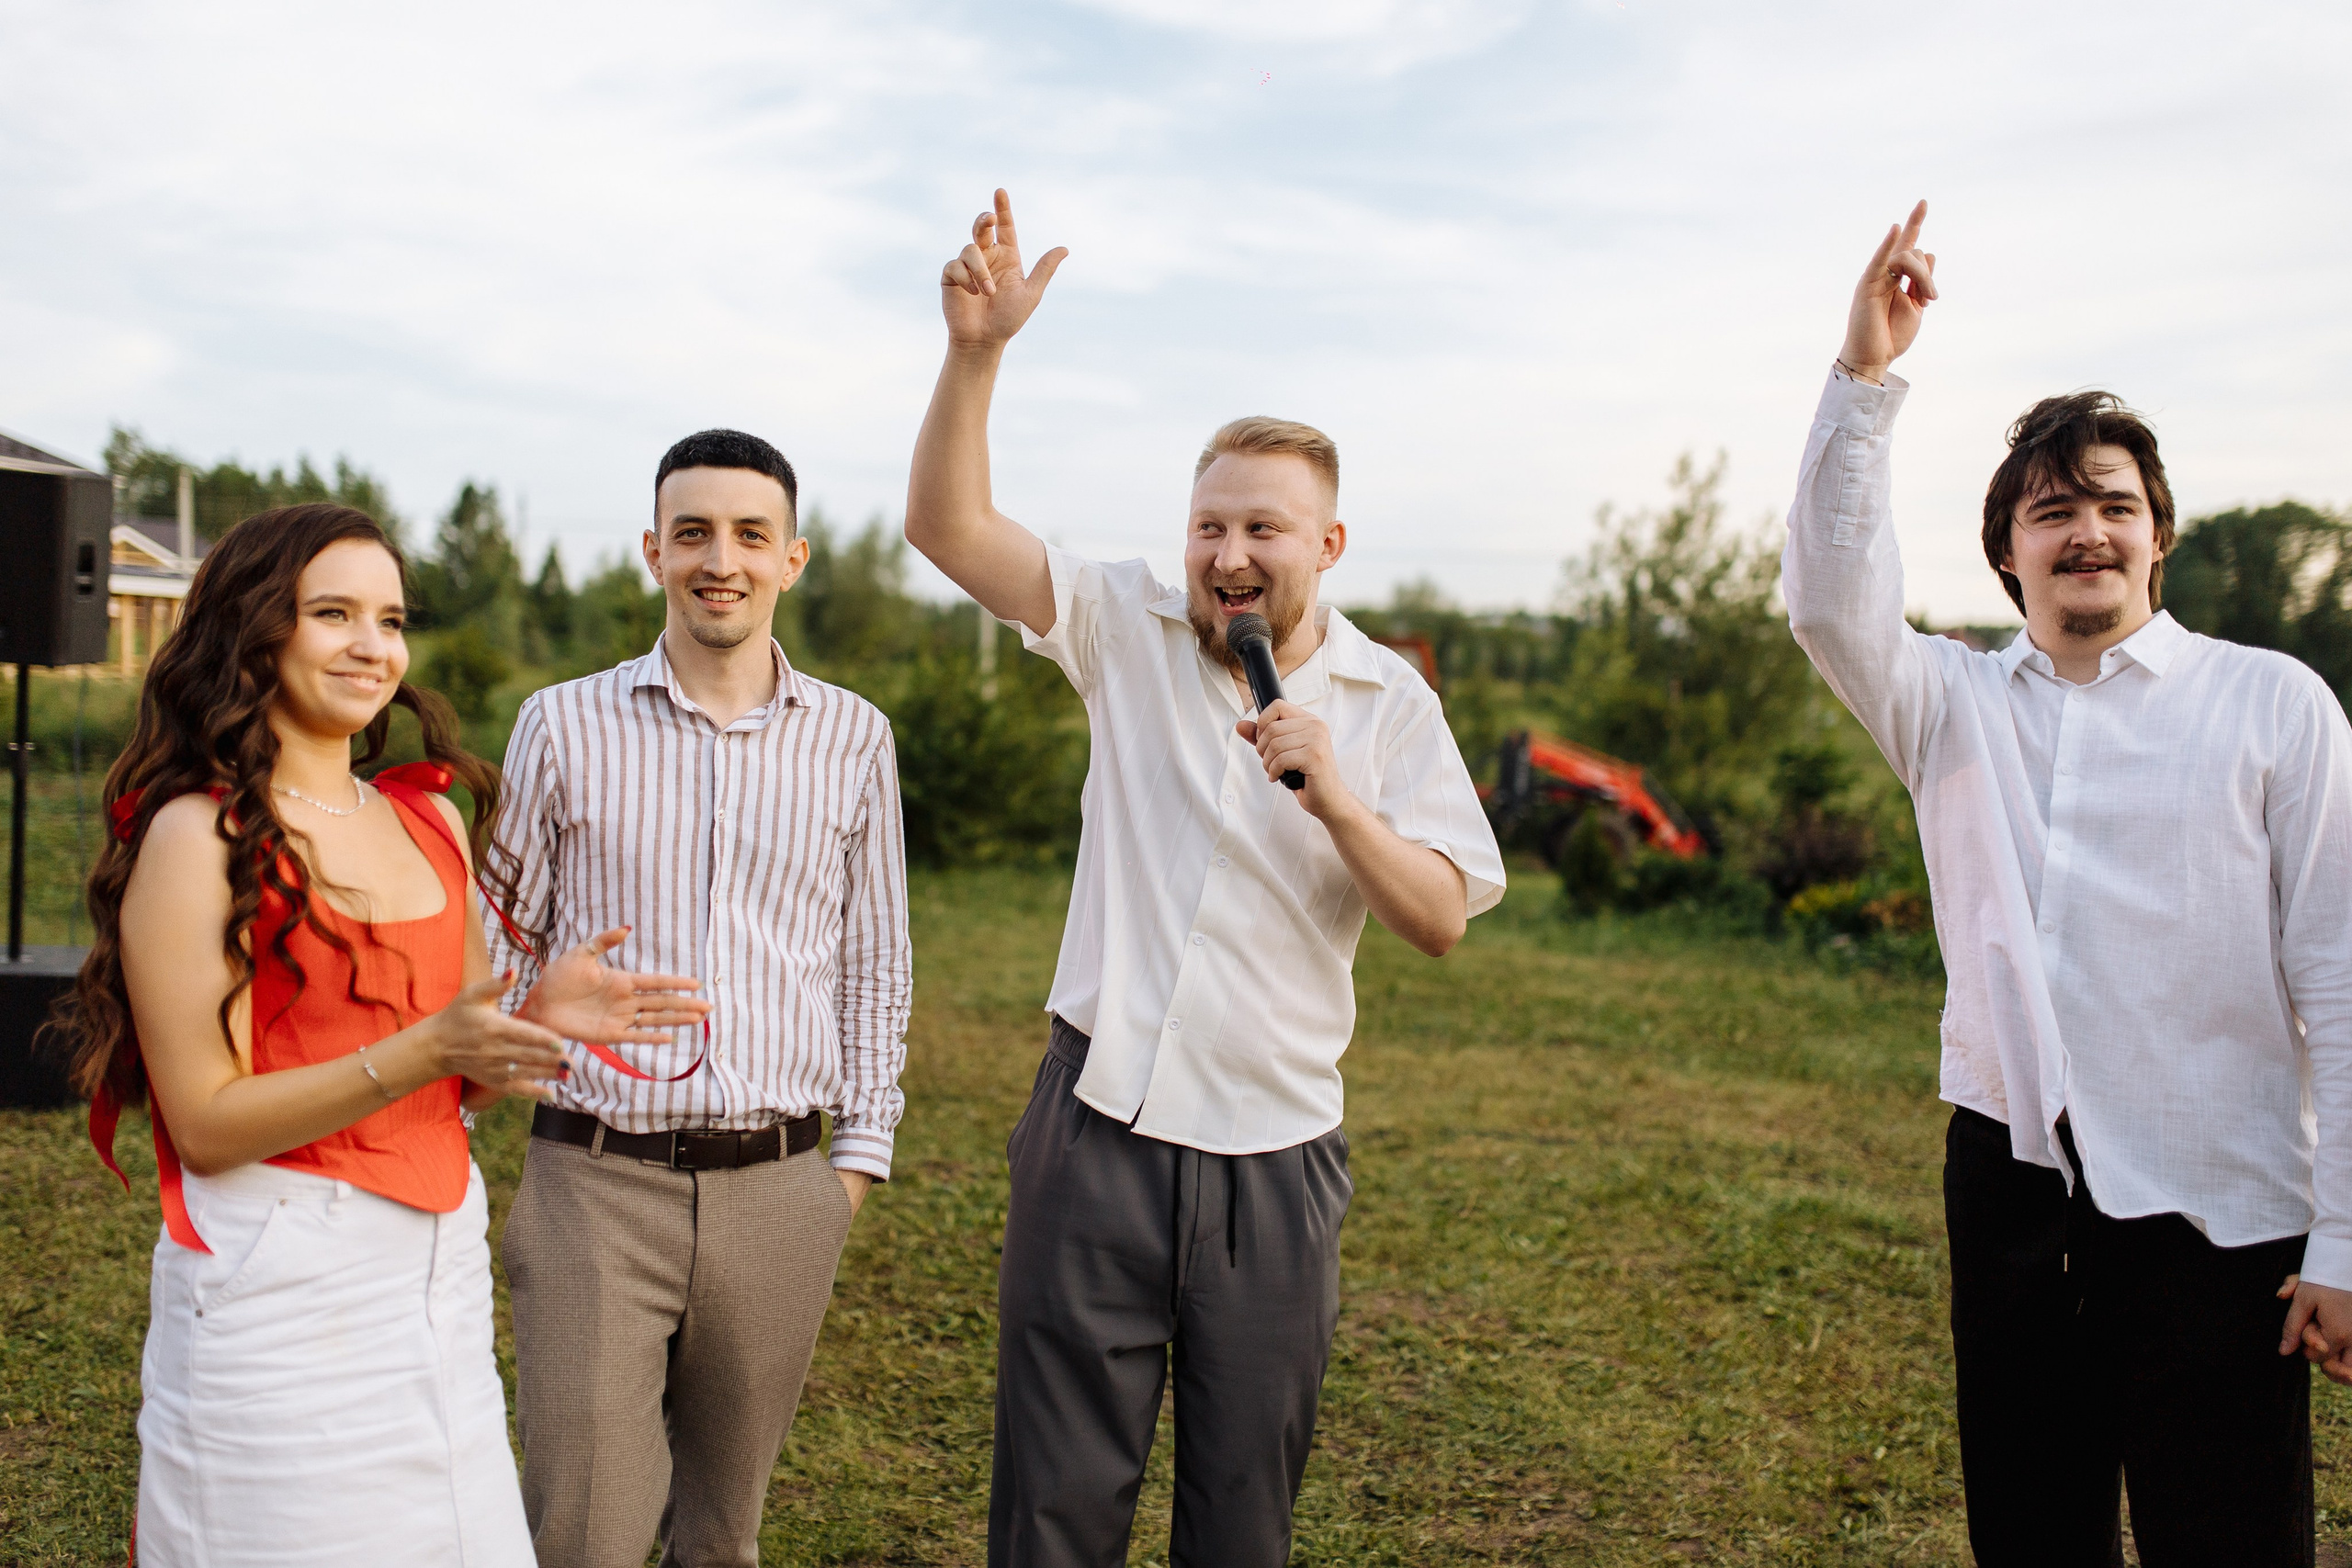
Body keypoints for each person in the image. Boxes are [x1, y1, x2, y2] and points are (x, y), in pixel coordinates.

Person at [905, 189, 1507, 1568]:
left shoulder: (1389, 703)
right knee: (1051, 1508)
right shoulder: (1123, 621)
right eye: (1211, 524)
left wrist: (1337, 795)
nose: (1230, 555)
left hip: (1274, 1157)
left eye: (1265, 531)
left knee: (1242, 1521)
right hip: (1095, 1124)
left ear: (1327, 546)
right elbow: (947, 527)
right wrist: (976, 354)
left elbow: (1436, 919)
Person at [1783, 203, 2352, 1563]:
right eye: (2054, 510)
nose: (2086, 529)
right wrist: (1864, 377)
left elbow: (2339, 970)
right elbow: (1825, 597)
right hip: (2016, 1184)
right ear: (2010, 555)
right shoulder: (1948, 704)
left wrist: (2346, 1239)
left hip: (2224, 1203)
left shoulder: (2275, 704)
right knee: (2034, 1530)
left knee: (2231, 1538)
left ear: (2161, 537)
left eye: (2115, 505)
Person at [71, 502, 710, 1567]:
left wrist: (529, 1023)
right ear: (255, 629)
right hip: (276, 1281)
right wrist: (425, 1050)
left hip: (435, 1273)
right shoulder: (195, 836)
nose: (374, 647)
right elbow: (207, 1124)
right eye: (333, 614)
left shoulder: (429, 819)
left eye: (392, 618)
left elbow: (458, 1079)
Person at [488, 428, 912, 1568]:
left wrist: (854, 1167)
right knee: (584, 1532)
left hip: (780, 1191)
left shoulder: (855, 740)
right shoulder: (559, 725)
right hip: (592, 1182)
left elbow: (874, 959)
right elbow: (495, 934)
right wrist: (529, 1018)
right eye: (692, 534)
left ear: (793, 558)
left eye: (748, 535)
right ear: (653, 552)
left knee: (723, 1539)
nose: (718, 559)